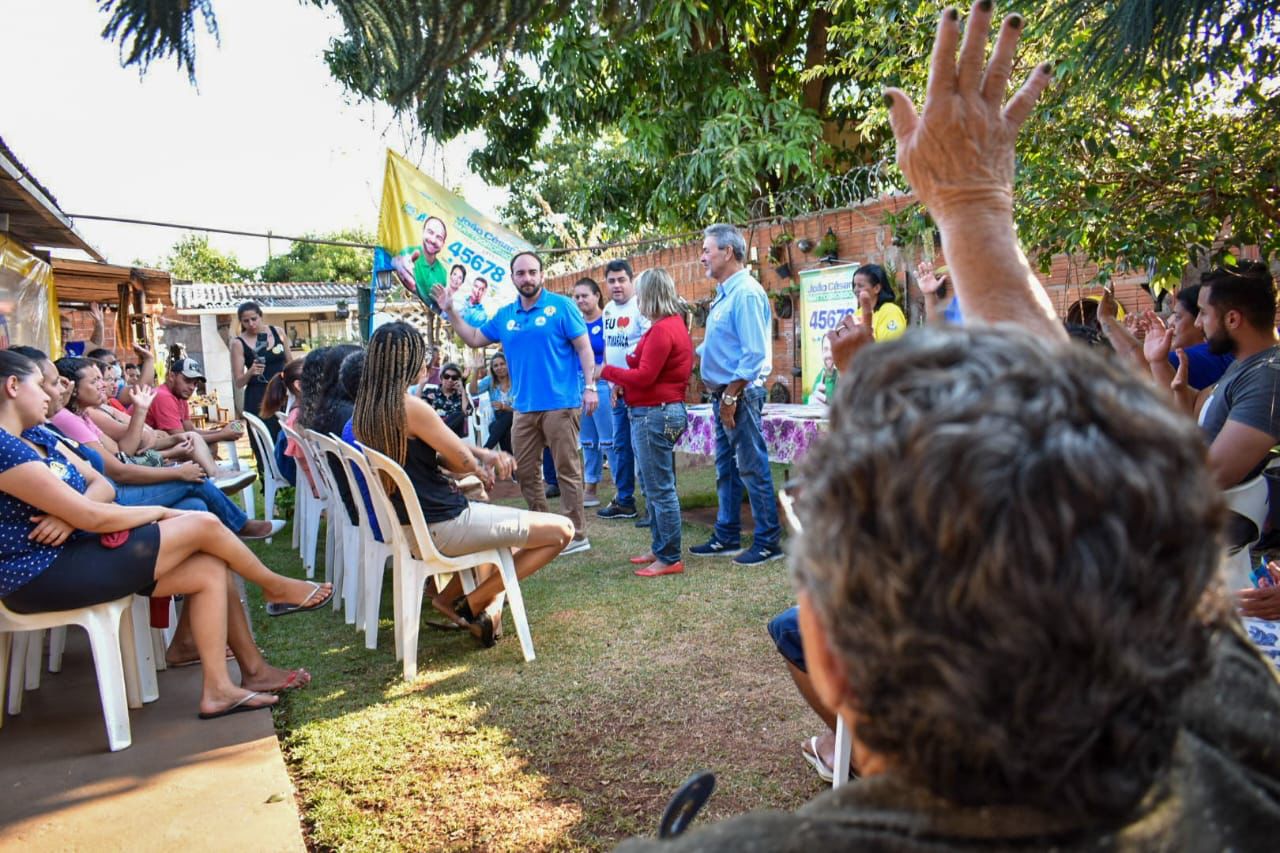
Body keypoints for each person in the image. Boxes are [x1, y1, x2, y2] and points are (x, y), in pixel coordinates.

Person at [618, 10, 1280, 849]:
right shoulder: (1241, 751)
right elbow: (1109, 498)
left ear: (824, 648)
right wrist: (972, 206)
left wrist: (968, 207)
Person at [0, 350, 332, 719]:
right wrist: (141, 512)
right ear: (13, 386)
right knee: (203, 523)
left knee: (209, 566)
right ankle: (274, 586)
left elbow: (100, 485)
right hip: (43, 574)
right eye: (41, 384)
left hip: (79, 548)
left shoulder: (35, 433)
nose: (51, 394)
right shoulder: (4, 448)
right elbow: (92, 511)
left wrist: (69, 513)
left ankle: (228, 685)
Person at [353, 321, 573, 645]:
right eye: (422, 357)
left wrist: (476, 458)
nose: (428, 365)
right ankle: (472, 604)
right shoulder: (412, 407)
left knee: (506, 541)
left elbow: (422, 455)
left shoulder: (368, 411)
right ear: (408, 363)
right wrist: (481, 470)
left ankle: (476, 607)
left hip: (413, 527)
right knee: (561, 531)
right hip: (446, 524)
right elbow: (460, 459)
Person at [432, 251, 597, 555]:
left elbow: (585, 349)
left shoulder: (562, 307)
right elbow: (474, 337)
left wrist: (590, 387)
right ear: (513, 278)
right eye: (521, 273)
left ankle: (577, 535)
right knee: (526, 472)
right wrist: (451, 311)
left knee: (566, 470)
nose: (527, 278)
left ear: (542, 275)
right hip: (522, 408)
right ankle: (544, 530)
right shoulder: (506, 315)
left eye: (532, 272)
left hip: (561, 404)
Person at [689, 224, 783, 565]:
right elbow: (723, 344)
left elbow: (754, 354)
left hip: (739, 395)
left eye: (707, 249)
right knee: (726, 469)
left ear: (728, 252)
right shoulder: (727, 292)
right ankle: (726, 535)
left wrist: (730, 397)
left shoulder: (745, 293)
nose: (702, 257)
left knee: (751, 467)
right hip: (724, 394)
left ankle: (768, 541)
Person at [601, 269, 693, 577]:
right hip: (657, 411)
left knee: (660, 488)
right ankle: (661, 547)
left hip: (657, 412)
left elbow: (644, 376)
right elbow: (641, 365)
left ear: (650, 295)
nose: (636, 299)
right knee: (655, 486)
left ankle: (669, 556)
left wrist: (607, 372)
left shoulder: (663, 329)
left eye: (640, 293)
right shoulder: (665, 326)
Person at [598, 259, 650, 520]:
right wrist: (610, 383)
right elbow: (609, 348)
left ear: (632, 280)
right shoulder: (607, 310)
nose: (617, 285)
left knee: (645, 448)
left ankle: (654, 506)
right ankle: (625, 500)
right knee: (621, 446)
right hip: (616, 391)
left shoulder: (642, 307)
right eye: (612, 280)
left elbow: (647, 352)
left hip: (639, 390)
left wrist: (624, 381)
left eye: (622, 280)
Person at [573, 277, 615, 509]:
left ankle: (622, 489)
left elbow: (612, 351)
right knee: (588, 440)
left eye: (584, 295)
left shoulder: (608, 320)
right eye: (576, 296)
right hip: (579, 385)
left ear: (597, 295)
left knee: (608, 439)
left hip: (601, 383)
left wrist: (604, 371)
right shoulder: (575, 323)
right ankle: (590, 487)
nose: (580, 300)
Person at [146, 357, 245, 449]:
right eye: (187, 380)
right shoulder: (163, 396)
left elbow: (191, 431)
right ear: (172, 376)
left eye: (195, 383)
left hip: (155, 446)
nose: (192, 387)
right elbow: (182, 438)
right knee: (205, 447)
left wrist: (223, 431)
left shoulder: (180, 397)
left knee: (208, 445)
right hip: (138, 453)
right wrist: (222, 435)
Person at [229, 301, 293, 437]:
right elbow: (239, 382)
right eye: (246, 321)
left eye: (254, 319)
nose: (251, 324)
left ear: (260, 316)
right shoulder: (238, 343)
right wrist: (251, 371)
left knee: (287, 439)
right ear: (241, 322)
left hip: (281, 394)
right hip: (258, 397)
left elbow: (290, 364)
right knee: (263, 440)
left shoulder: (278, 332)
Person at [391, 215, 450, 307]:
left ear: (443, 244)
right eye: (430, 232)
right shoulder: (407, 253)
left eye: (439, 238)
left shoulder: (443, 274)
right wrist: (396, 263)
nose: (433, 240)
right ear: (423, 232)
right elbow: (395, 261)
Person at [471, 352, 514, 453]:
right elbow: (473, 392)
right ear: (492, 369)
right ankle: (511, 466)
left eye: (502, 364)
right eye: (496, 366)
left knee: (507, 419)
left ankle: (485, 450)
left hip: (516, 419)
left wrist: (504, 406)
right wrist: (476, 370)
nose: (499, 368)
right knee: (501, 429)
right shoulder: (490, 381)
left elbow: (520, 409)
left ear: (508, 364)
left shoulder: (516, 381)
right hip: (498, 420)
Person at [852, 263, 908, 341]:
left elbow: (891, 348)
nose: (855, 290)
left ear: (877, 288)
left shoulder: (890, 311)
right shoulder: (856, 314)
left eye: (860, 286)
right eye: (854, 285)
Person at [422, 361, 473, 437]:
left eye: (454, 378)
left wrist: (462, 390)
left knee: (459, 414)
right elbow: (417, 408)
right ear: (441, 377)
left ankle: (442, 434)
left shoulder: (460, 396)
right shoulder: (431, 392)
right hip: (433, 430)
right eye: (446, 376)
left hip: (454, 435)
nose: (450, 380)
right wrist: (421, 385)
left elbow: (468, 411)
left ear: (457, 380)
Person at [805, 336, 837, 405]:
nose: (829, 354)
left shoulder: (844, 376)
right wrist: (811, 402)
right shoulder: (820, 377)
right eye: (825, 349)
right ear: (822, 353)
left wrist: (826, 400)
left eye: (832, 349)